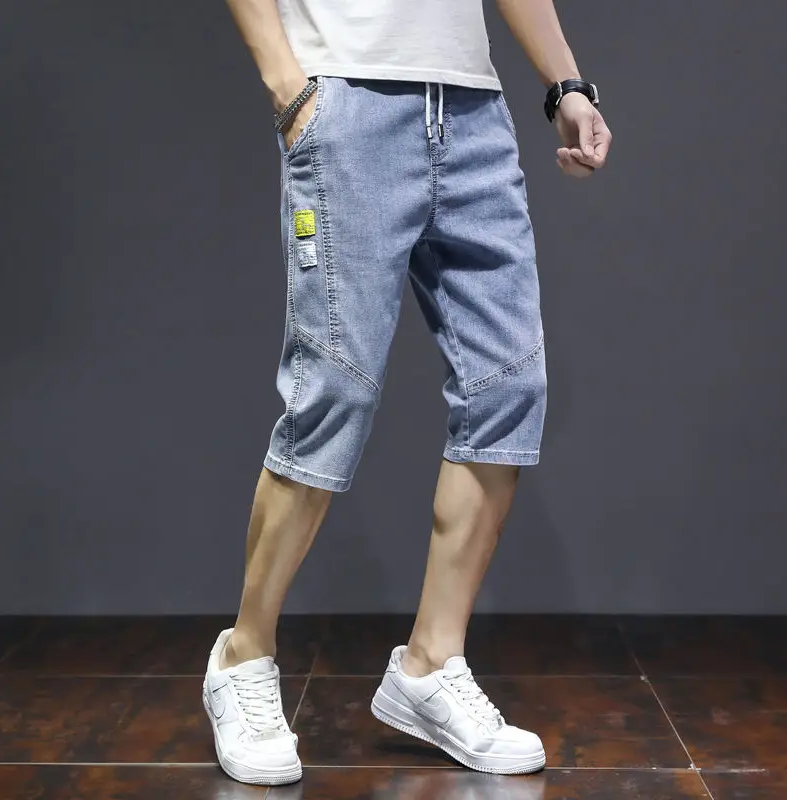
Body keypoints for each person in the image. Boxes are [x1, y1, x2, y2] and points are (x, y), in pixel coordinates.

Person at [203, 0, 612, 786]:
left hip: (474, 111)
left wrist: (566, 85)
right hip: (347, 101)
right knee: (334, 391)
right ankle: (242, 658)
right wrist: (288, 87)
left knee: (509, 386)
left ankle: (430, 664)